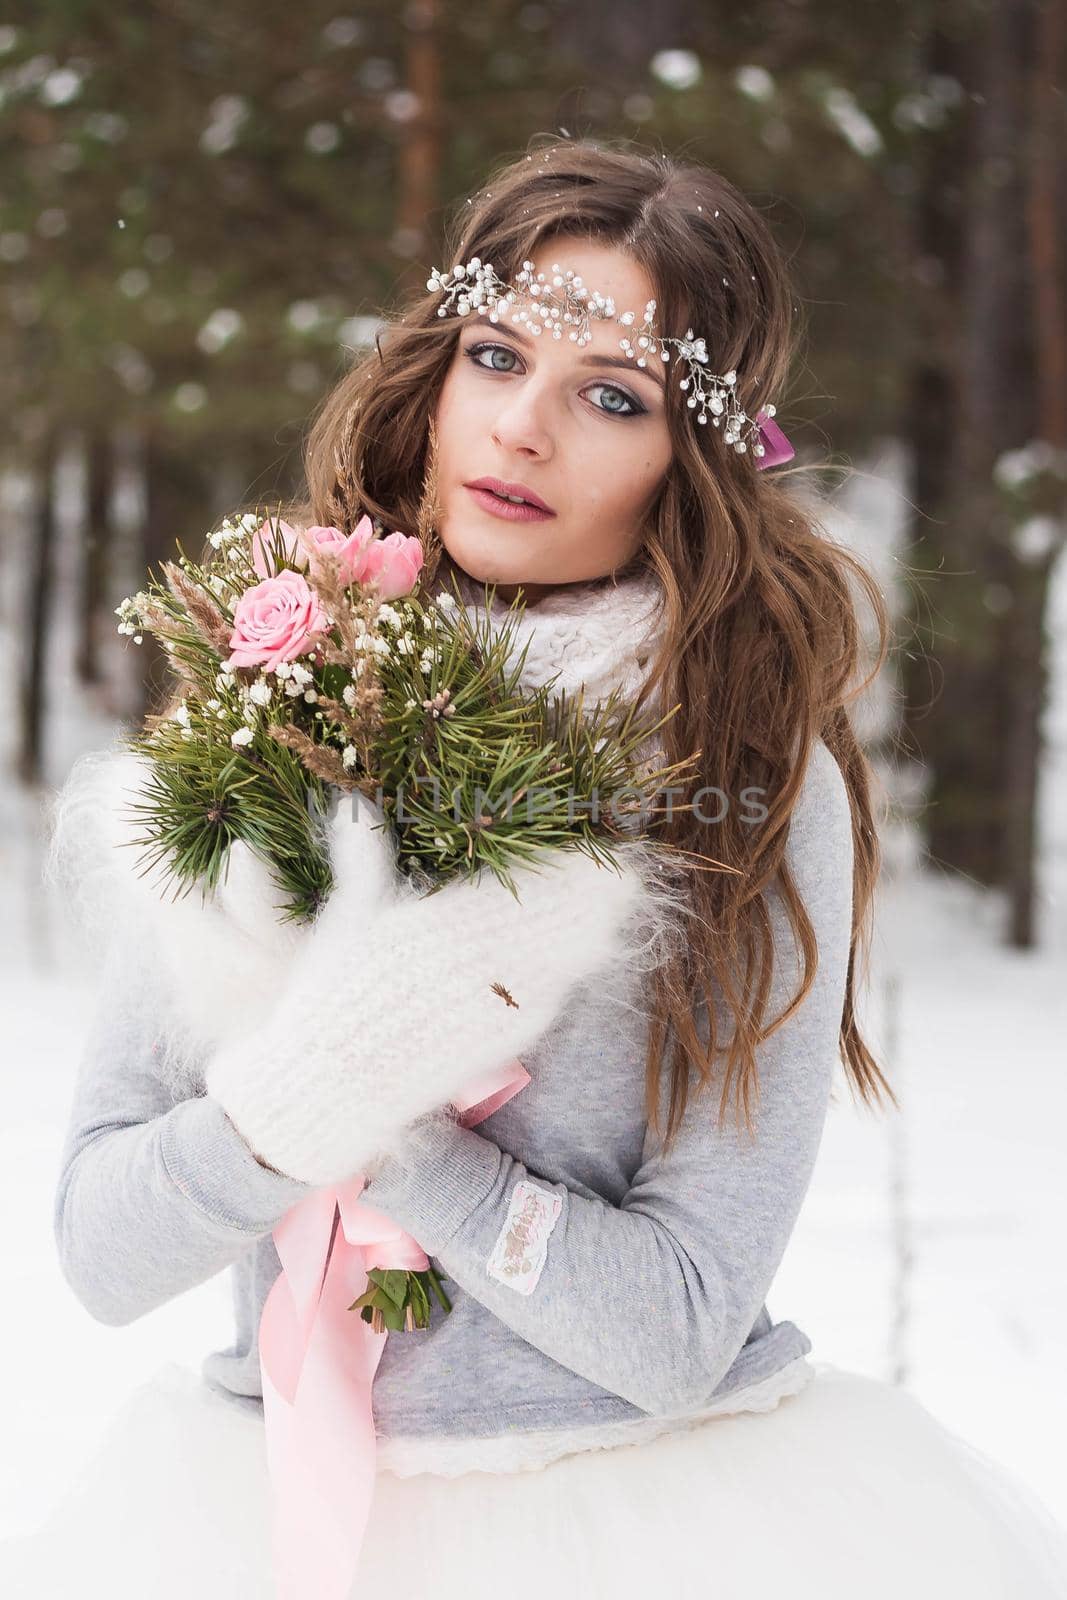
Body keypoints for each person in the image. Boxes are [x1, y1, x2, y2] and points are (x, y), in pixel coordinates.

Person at [5, 137, 1067, 1599]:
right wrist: (297, 1097)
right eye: (496, 357)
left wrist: (405, 1137)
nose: (521, 431)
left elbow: (681, 1323)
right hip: (251, 1515)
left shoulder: (746, 776)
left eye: (610, 396)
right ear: (435, 374)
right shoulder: (284, 687)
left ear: (687, 461)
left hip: (629, 1525)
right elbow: (99, 1251)